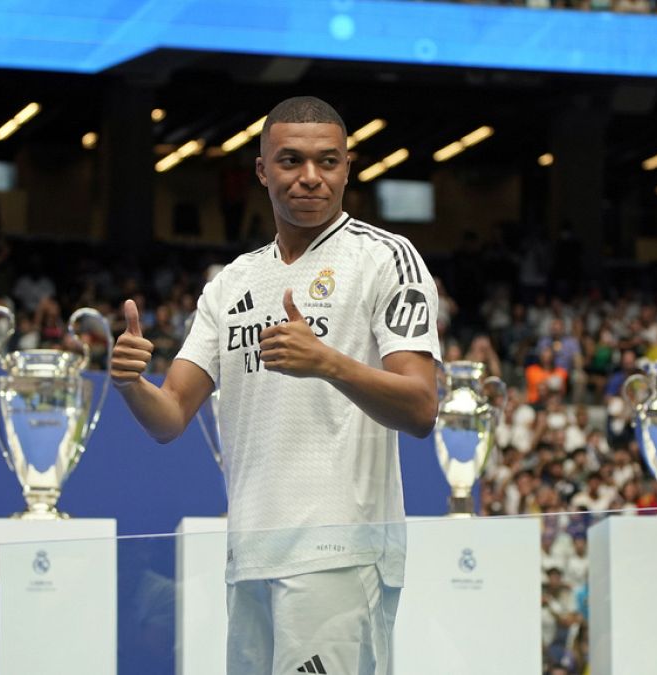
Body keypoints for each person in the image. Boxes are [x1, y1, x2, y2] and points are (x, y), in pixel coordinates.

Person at [109, 96, 439, 675]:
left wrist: (328, 362)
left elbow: (420, 406)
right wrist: (132, 382)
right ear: (262, 171)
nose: (310, 177)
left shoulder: (387, 259)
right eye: (290, 161)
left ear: (347, 167)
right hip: (250, 557)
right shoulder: (231, 281)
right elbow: (169, 417)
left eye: (328, 162)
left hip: (339, 556)